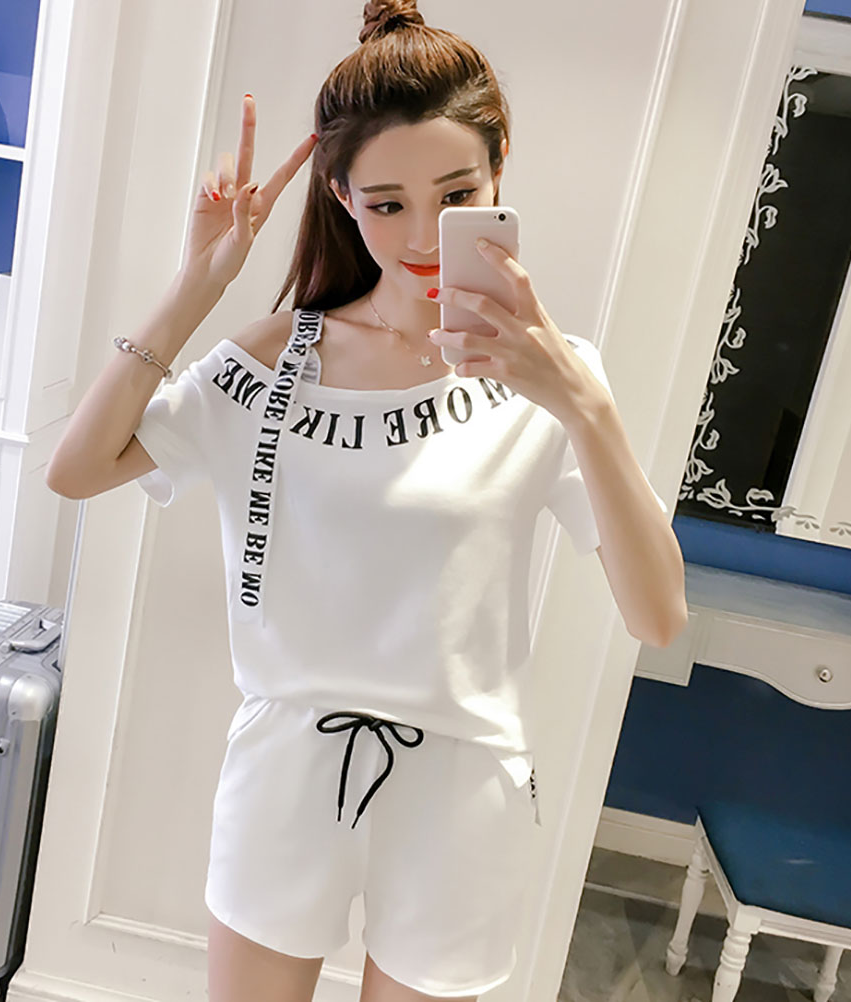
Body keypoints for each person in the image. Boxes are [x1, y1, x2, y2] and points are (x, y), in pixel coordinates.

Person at [46, 1, 686, 999]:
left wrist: (586, 407)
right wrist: (198, 282)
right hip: (285, 763)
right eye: (387, 204)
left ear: (498, 173)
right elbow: (78, 470)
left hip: (463, 788)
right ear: (341, 196)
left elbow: (657, 618)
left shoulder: (554, 380)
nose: (423, 234)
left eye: (455, 195)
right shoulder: (274, 362)